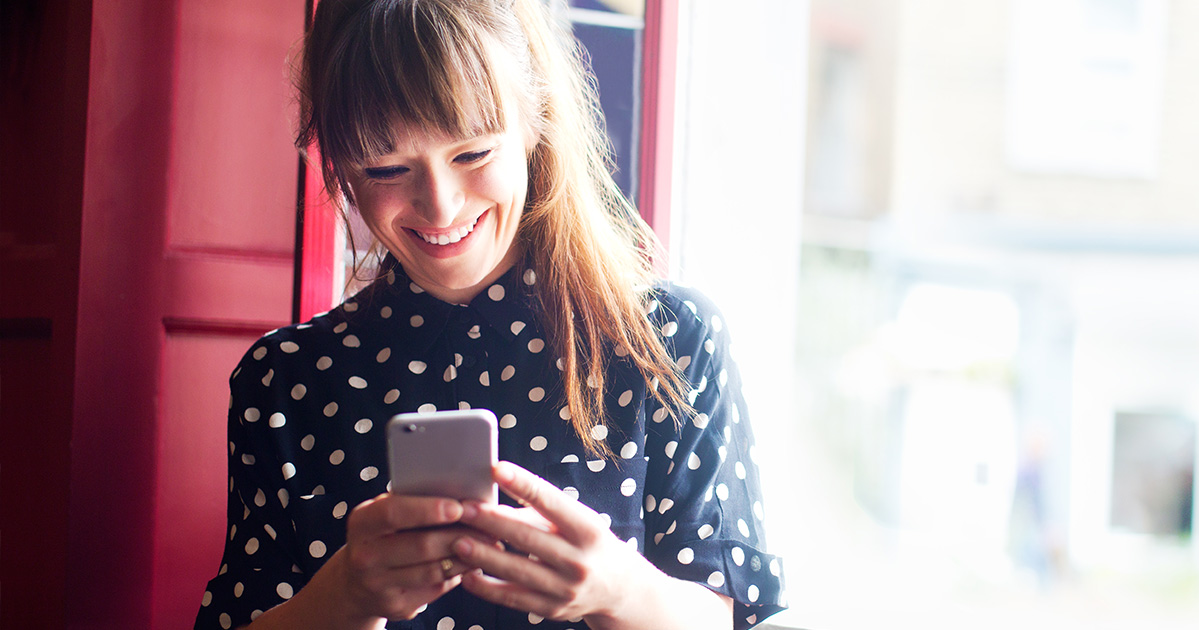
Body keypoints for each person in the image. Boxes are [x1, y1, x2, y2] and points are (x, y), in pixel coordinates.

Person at [192, 1, 786, 628]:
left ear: (535, 124)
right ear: (339, 165)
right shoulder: (286, 381)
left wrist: (618, 589)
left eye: (473, 154)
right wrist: (346, 597)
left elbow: (720, 615)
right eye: (387, 169)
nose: (440, 206)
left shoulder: (667, 342)